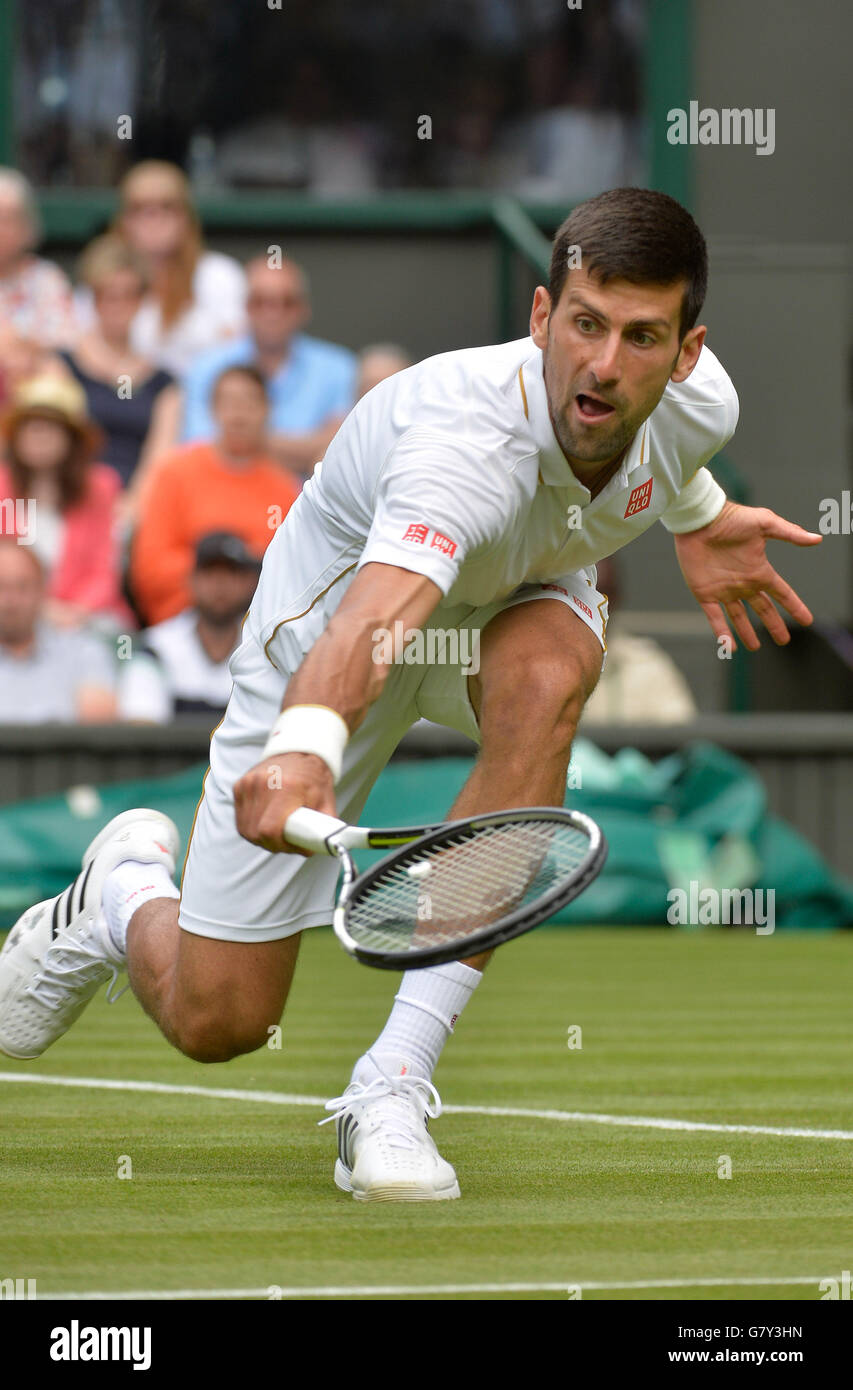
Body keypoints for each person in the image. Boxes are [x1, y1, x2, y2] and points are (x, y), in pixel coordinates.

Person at [0, 188, 822, 1203]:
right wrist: (303, 742)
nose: (605, 365)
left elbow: (672, 456)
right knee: (223, 1023)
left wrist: (700, 516)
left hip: (509, 606)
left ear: (685, 351)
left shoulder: (702, 403)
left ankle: (389, 1082)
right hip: (337, 628)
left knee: (552, 674)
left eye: (642, 336)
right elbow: (373, 624)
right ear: (538, 318)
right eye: (585, 326)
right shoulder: (458, 451)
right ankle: (122, 894)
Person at [129, 365, 299, 625]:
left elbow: (290, 575)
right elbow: (150, 568)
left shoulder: (285, 490)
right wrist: (226, 572)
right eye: (229, 402)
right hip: (181, 624)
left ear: (267, 410)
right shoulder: (175, 474)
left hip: (256, 628)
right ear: (212, 409)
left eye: (250, 402)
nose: (239, 413)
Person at [180, 257, 356, 477]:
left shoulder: (338, 367)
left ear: (303, 308)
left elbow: (337, 453)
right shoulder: (207, 366)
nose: (272, 313)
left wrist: (244, 439)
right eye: (260, 301)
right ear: (245, 307)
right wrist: (305, 448)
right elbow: (200, 448)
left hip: (307, 506)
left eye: (286, 302)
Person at [0, 374, 132, 630]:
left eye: (50, 427)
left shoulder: (101, 488)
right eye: (31, 426)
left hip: (83, 619)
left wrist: (73, 613)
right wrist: (37, 609)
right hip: (12, 617)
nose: (39, 436)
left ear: (72, 439)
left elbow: (105, 570)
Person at [58, 235, 180, 503]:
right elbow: (60, 450)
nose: (118, 305)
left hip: (137, 511)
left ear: (142, 299)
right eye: (107, 295)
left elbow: (158, 462)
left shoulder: (165, 383)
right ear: (93, 297)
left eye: (129, 294)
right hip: (75, 502)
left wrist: (130, 509)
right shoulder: (61, 366)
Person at [104, 161, 246, 377]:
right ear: (124, 221)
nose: (154, 220)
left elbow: (238, 354)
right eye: (140, 209)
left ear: (186, 218)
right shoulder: (104, 279)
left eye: (167, 208)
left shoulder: (219, 275)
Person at [118, 532, 262, 723]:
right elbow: (141, 731)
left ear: (249, 583)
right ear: (191, 581)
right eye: (210, 573)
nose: (220, 584)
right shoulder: (156, 649)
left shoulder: (265, 653)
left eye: (231, 573)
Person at [0, 538, 117, 723]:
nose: (10, 601)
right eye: (2, 587)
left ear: (42, 591)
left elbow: (99, 729)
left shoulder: (83, 652)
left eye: (22, 587)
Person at [580, 556, 697, 724]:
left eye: (602, 594)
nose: (593, 607)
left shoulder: (649, 664)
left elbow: (681, 735)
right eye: (584, 595)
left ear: (617, 597)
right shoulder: (542, 661)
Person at [0, 169, 78, 404]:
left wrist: (23, 350)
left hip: (32, 398)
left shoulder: (47, 278)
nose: (2, 229)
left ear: (27, 226)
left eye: (9, 219)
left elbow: (66, 345)